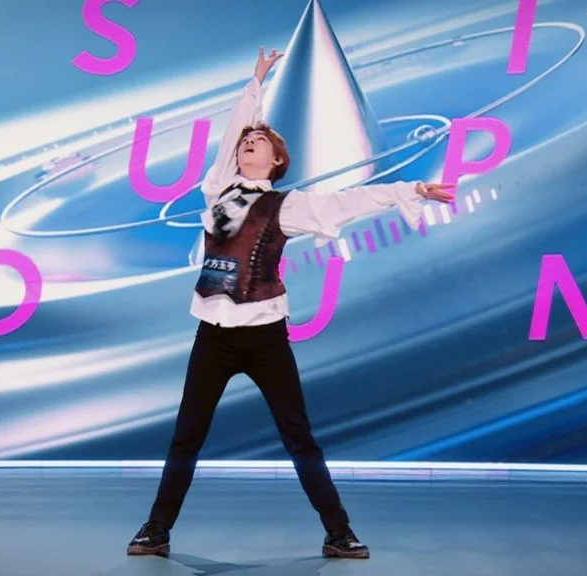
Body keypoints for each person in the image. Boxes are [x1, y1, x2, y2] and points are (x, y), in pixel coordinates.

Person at [127, 47, 455, 560]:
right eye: (245, 142)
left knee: (299, 436)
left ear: (277, 160)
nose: (246, 144)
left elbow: (347, 202)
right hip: (212, 336)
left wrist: (410, 189)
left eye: (257, 142)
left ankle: (339, 531)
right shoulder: (218, 190)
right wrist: (255, 83)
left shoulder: (290, 206)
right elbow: (233, 130)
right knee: (186, 436)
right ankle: (156, 529)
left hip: (265, 338)